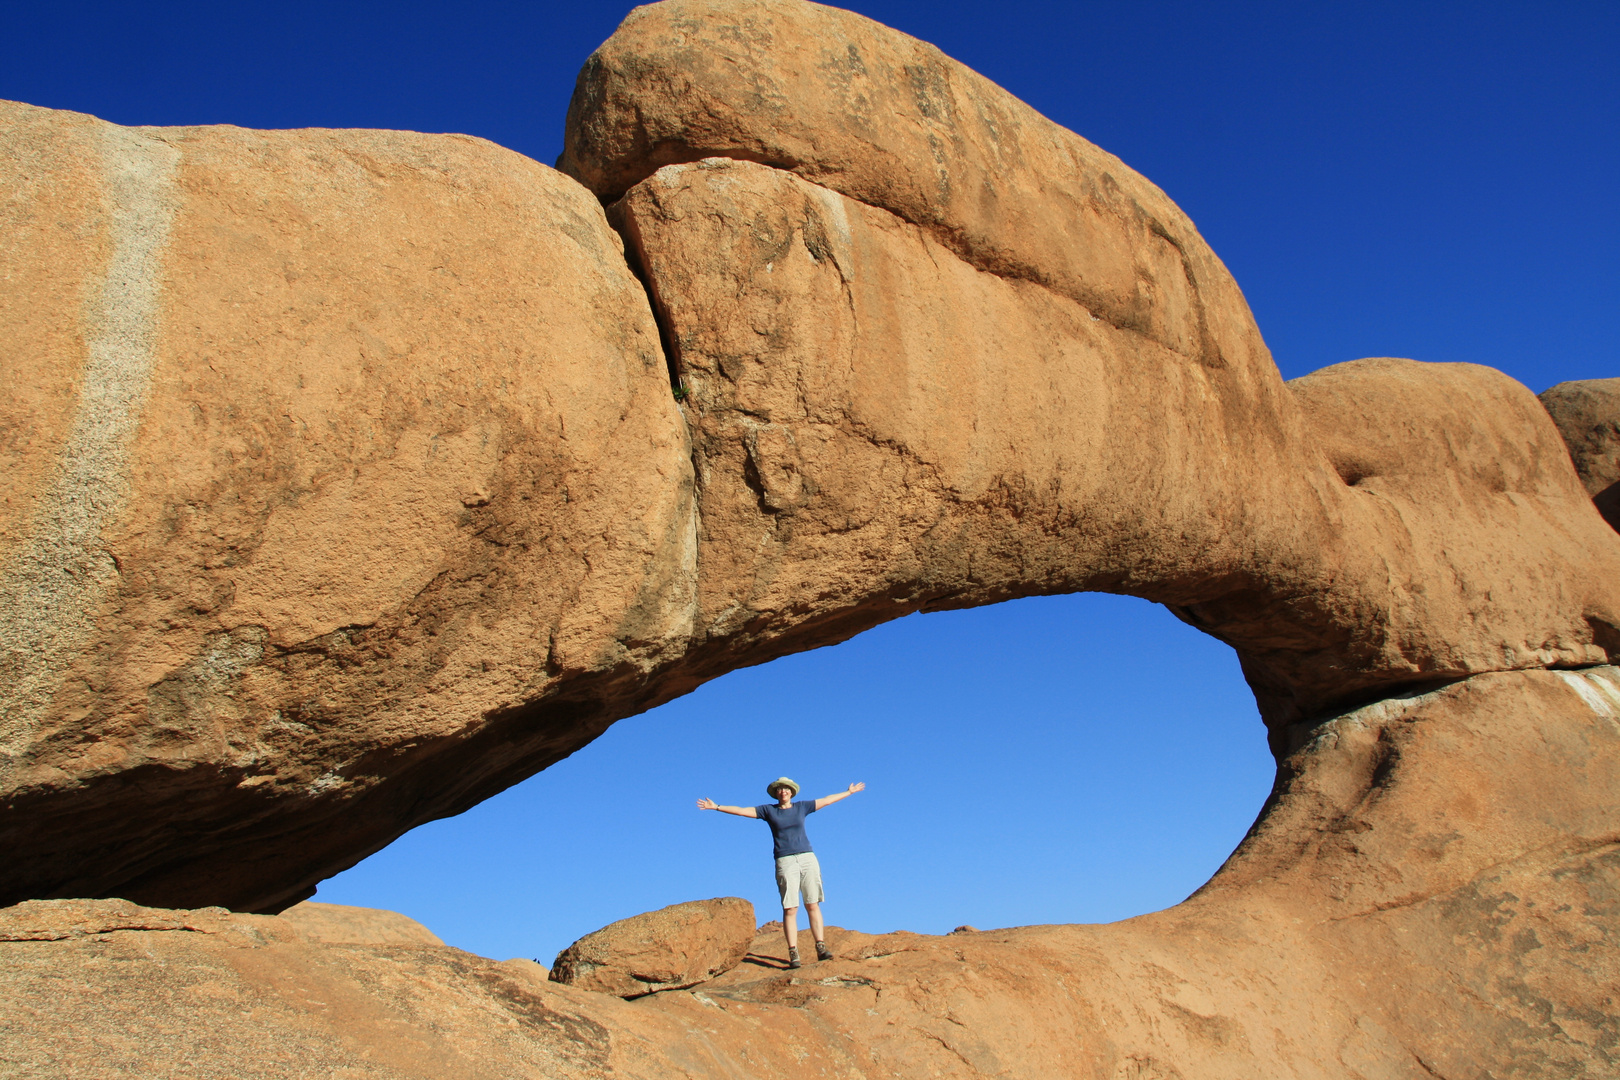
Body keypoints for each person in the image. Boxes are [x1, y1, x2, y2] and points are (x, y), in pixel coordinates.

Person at [697, 777, 865, 969]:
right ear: (776, 793)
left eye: (786, 789)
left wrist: (848, 792)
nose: (783, 791)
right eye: (780, 789)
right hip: (785, 861)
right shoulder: (768, 810)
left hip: (807, 858)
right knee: (790, 908)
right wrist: (716, 806)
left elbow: (826, 800)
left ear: (791, 792)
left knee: (812, 904)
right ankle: (793, 953)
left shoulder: (802, 807)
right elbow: (743, 811)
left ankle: (820, 947)